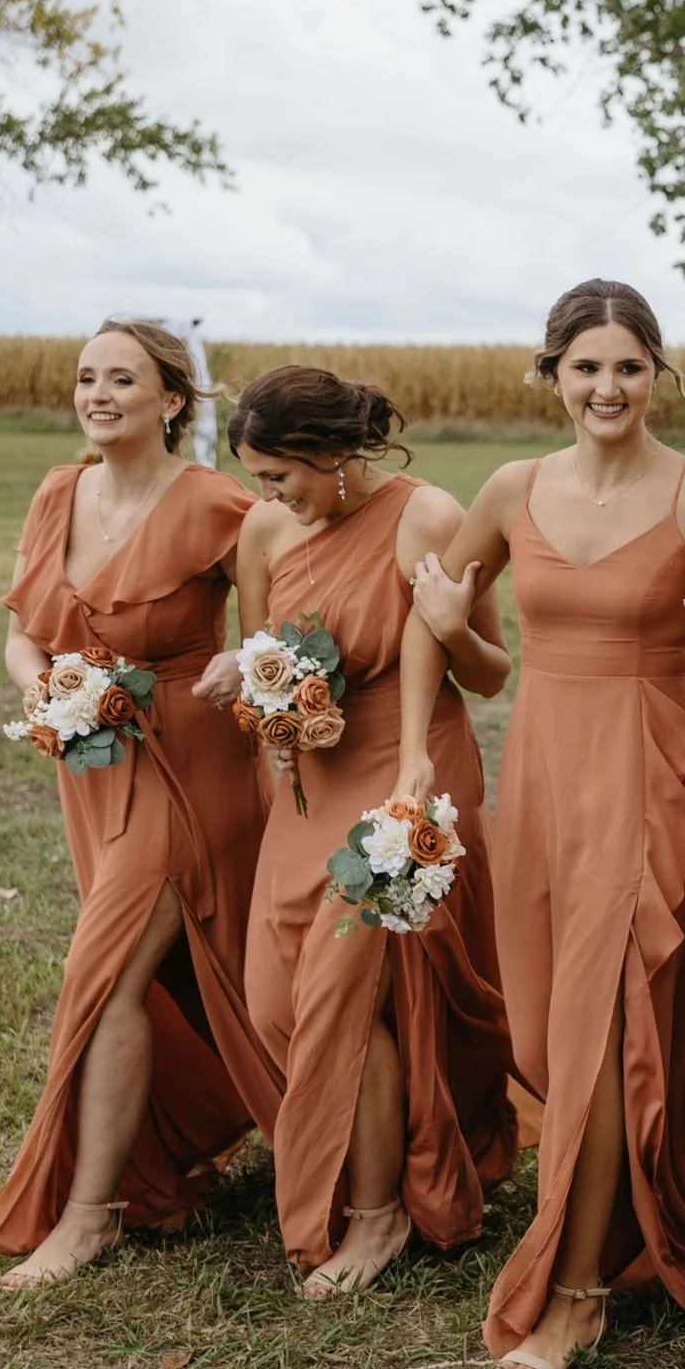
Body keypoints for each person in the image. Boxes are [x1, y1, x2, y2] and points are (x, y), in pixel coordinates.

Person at [399, 279, 685, 1369]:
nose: (608, 386)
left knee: (611, 1021)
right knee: (550, 1036)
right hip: (547, 779)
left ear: (659, 373)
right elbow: (447, 621)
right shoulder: (513, 489)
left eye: (628, 365)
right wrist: (420, 744)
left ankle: (574, 1289)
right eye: (586, 366)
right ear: (551, 375)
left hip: (653, 774)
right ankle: (638, 1209)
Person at [0, 319, 275, 1286]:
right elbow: (24, 633)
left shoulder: (220, 502)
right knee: (150, 973)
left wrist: (242, 660)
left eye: (123, 380)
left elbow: (276, 625)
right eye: (86, 379)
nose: (98, 395)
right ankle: (198, 1132)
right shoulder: (57, 491)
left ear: (172, 401)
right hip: (92, 760)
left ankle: (92, 1211)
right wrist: (37, 685)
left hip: (191, 767)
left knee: (101, 970)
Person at [230, 365, 518, 1296]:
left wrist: (448, 626)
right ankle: (370, 1171)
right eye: (261, 479)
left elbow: (490, 672)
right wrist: (267, 710)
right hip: (309, 786)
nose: (272, 496)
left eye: (283, 474)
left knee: (349, 988)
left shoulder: (427, 516)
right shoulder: (264, 531)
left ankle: (378, 1210)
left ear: (332, 452)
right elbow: (258, 662)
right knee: (276, 992)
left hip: (410, 771)